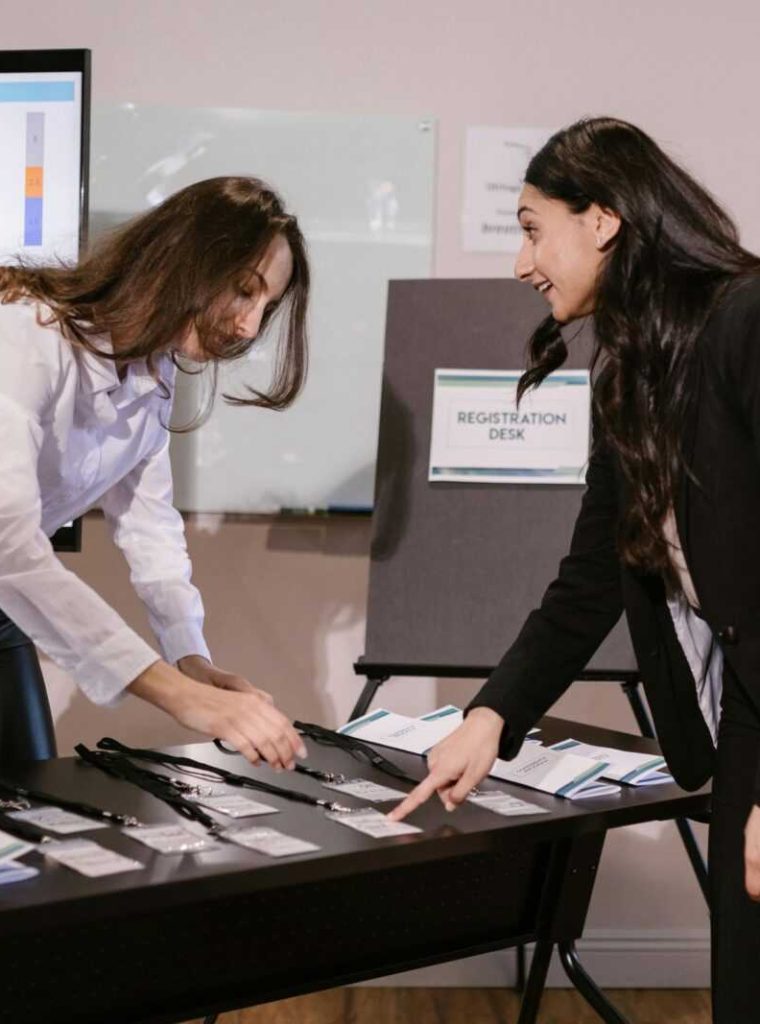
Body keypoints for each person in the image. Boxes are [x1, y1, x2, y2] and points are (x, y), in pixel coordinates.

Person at [388, 117, 760, 1020]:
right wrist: (492, 715)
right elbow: (594, 576)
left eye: (529, 227)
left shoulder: (748, 321)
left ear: (602, 220)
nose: (522, 263)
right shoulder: (629, 373)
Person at [0, 176, 309, 771]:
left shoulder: (151, 372)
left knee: (35, 808)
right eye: (245, 292)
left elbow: (150, 529)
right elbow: (10, 545)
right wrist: (178, 697)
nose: (248, 327)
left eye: (264, 307)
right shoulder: (23, 336)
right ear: (185, 257)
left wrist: (191, 659)